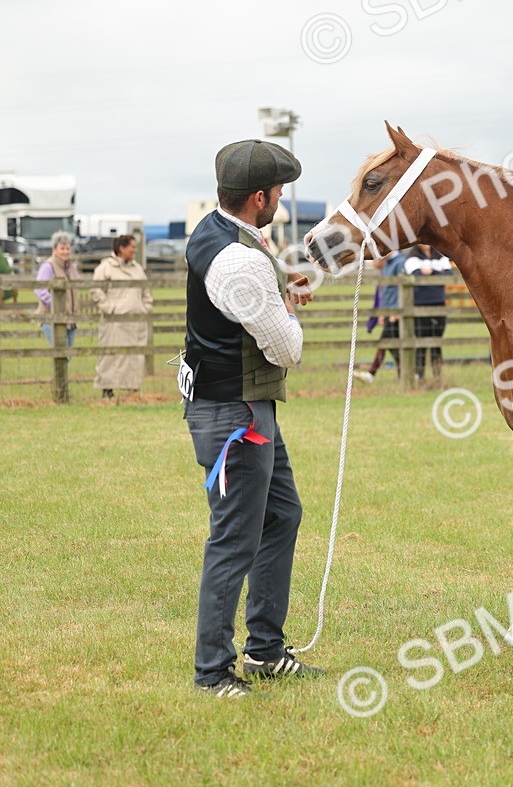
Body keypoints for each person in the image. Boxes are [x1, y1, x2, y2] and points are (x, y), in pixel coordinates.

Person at [182, 139, 321, 698]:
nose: (281, 203)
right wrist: (285, 307)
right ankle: (212, 671)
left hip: (240, 404)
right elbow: (288, 350)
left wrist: (278, 289)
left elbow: (249, 297)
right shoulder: (239, 258)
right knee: (233, 540)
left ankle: (265, 649)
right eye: (278, 194)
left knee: (282, 514)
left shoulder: (215, 231)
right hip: (236, 413)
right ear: (259, 197)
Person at [91, 235, 153, 398]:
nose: (134, 250)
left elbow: (146, 291)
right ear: (122, 248)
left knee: (135, 356)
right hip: (115, 322)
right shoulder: (106, 268)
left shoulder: (137, 268)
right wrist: (110, 308)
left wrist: (145, 307)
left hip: (136, 321)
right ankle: (107, 389)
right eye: (132, 247)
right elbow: (96, 291)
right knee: (112, 354)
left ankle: (133, 389)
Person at [354, 249, 405, 383]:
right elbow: (385, 290)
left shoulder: (400, 263)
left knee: (388, 343)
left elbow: (403, 289)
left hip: (396, 312)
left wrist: (398, 311)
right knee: (392, 344)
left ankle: (372, 374)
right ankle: (405, 373)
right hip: (389, 311)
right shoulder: (387, 264)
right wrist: (382, 312)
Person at [405, 244, 452, 380]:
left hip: (439, 303)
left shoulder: (440, 255)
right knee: (421, 342)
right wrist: (437, 272)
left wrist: (431, 272)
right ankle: (419, 375)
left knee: (436, 342)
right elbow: (416, 275)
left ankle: (437, 376)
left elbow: (448, 275)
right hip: (420, 304)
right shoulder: (412, 257)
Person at [34, 231, 81, 348]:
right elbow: (39, 289)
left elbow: (77, 285)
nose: (65, 251)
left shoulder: (72, 267)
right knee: (61, 353)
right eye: (62, 248)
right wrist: (55, 304)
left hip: (71, 318)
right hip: (51, 318)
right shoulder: (48, 266)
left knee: (67, 355)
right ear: (54, 250)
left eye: (67, 248)